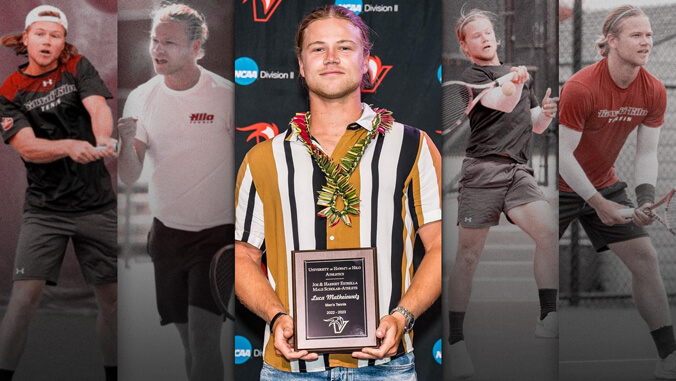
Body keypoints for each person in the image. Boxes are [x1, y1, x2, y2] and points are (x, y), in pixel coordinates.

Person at [234, 5, 442, 380]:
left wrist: (403, 317)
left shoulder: (414, 146)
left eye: (345, 47)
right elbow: (242, 255)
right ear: (300, 64)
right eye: (317, 49)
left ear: (366, 61)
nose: (331, 58)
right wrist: (276, 315)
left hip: (387, 369)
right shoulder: (263, 158)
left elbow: (443, 247)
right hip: (289, 371)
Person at [116, 3, 234, 380]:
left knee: (203, 341)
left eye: (169, 41)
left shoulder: (225, 96)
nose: (157, 50)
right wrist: (126, 142)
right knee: (189, 349)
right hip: (167, 237)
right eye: (154, 40)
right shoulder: (142, 98)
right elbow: (129, 176)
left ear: (196, 47)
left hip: (217, 239)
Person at [0, 5, 117, 381]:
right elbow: (28, 147)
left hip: (97, 206)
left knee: (112, 303)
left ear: (63, 42)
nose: (47, 41)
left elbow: (97, 107)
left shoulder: (77, 66)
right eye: (40, 34)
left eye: (55, 35)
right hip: (44, 211)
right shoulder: (8, 91)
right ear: (25, 39)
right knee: (21, 304)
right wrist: (69, 146)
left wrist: (102, 139)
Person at [558, 5, 676, 379]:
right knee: (536, 276)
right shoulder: (580, 87)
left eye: (649, 35)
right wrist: (598, 204)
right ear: (611, 41)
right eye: (636, 35)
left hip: (604, 182)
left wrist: (643, 199)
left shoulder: (654, 90)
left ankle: (668, 356)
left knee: (645, 258)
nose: (646, 42)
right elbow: (562, 156)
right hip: (558, 189)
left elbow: (646, 154)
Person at [446, 9, 560, 379]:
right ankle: (456, 340)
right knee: (466, 259)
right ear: (465, 46)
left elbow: (530, 124)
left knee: (548, 234)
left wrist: (544, 113)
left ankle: (548, 315)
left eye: (489, 32)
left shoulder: (515, 74)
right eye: (476, 35)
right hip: (482, 172)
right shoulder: (472, 77)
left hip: (518, 171)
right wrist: (512, 81)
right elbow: (503, 102)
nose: (485, 38)